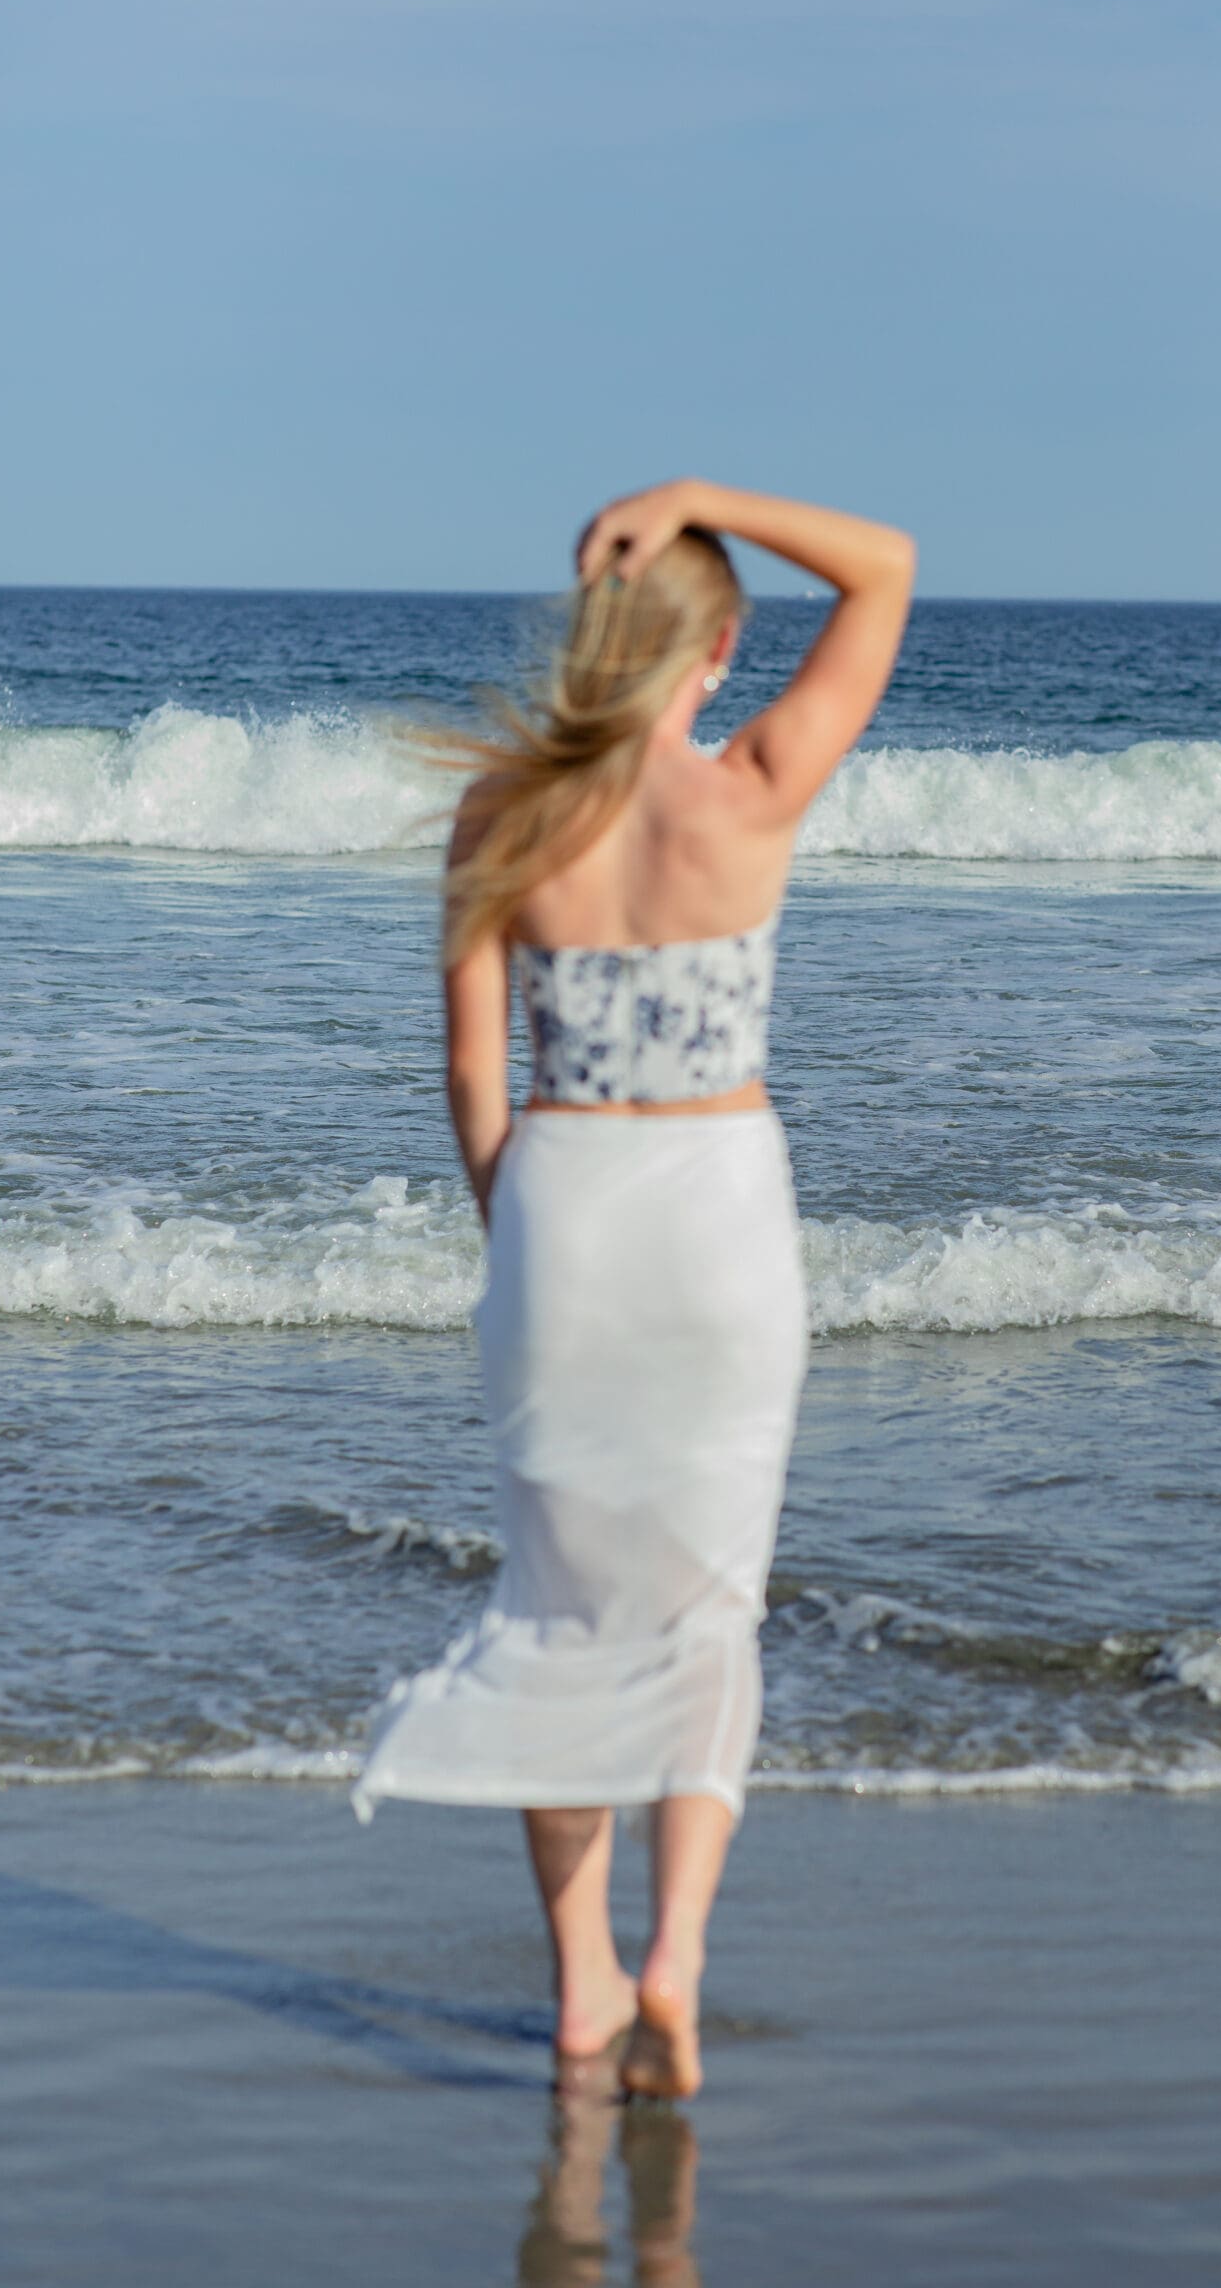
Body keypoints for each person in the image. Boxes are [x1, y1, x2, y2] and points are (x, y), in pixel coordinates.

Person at [354, 479, 916, 2098]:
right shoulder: (754, 786)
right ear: (722, 647)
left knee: (563, 1608)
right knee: (705, 1608)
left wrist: (523, 1232)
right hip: (724, 1218)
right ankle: (678, 1954)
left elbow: (474, 1080)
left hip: (568, 1212)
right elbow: (888, 572)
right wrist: (698, 498)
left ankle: (586, 1985)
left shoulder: (504, 818)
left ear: (599, 633)